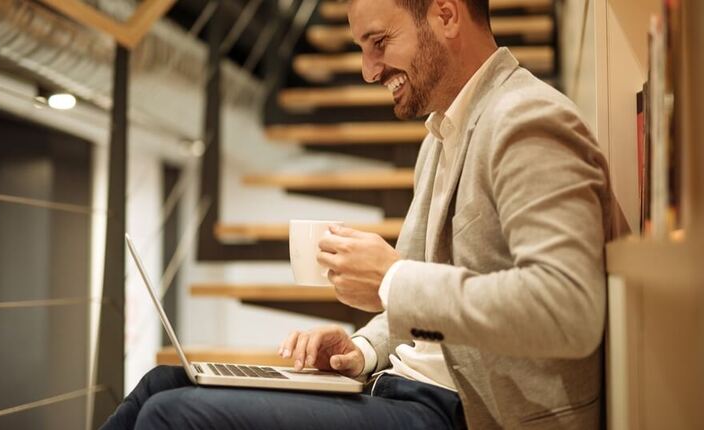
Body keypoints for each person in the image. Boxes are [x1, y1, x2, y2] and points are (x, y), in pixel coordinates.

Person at [102, 0, 615, 428]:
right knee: (161, 382)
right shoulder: (441, 137)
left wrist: (392, 278)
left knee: (173, 416)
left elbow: (566, 309)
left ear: (445, 15)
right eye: (362, 49)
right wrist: (363, 348)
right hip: (404, 389)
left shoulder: (528, 120)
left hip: (470, 412)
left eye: (380, 42)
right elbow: (425, 310)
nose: (370, 71)